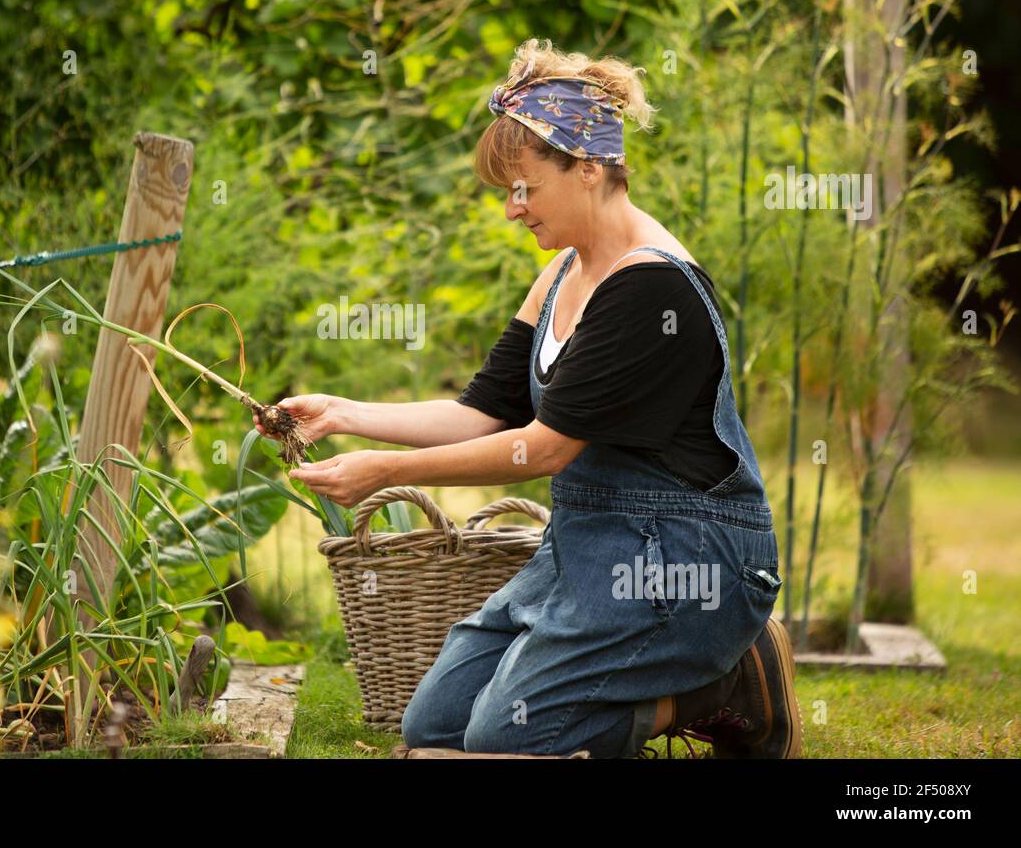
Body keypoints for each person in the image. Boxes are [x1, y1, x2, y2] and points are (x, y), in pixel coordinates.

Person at [256, 37, 802, 758]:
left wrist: (385, 472)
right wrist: (346, 415)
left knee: (507, 739)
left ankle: (728, 683)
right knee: (437, 726)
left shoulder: (650, 287)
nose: (513, 210)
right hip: (585, 549)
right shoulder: (561, 275)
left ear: (588, 168)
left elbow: (542, 448)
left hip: (685, 558)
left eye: (525, 188)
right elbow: (482, 413)